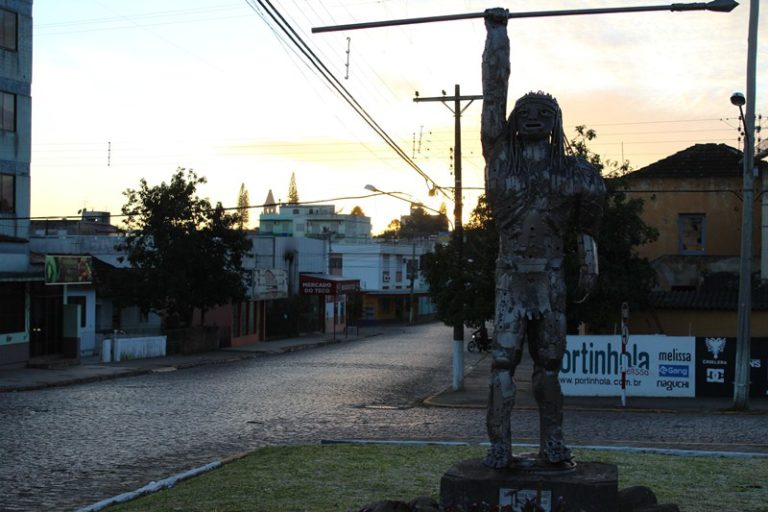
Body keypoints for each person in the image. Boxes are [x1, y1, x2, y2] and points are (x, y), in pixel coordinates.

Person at [481, 8, 606, 468]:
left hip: (550, 278)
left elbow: (588, 226)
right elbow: (493, 92)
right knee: (503, 364)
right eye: (526, 112)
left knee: (549, 366)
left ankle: (553, 441)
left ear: (556, 122)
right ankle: (500, 446)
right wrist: (498, 34)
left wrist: (589, 261)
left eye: (544, 112)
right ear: (514, 122)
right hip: (511, 277)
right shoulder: (499, 159)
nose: (533, 117)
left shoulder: (573, 172)